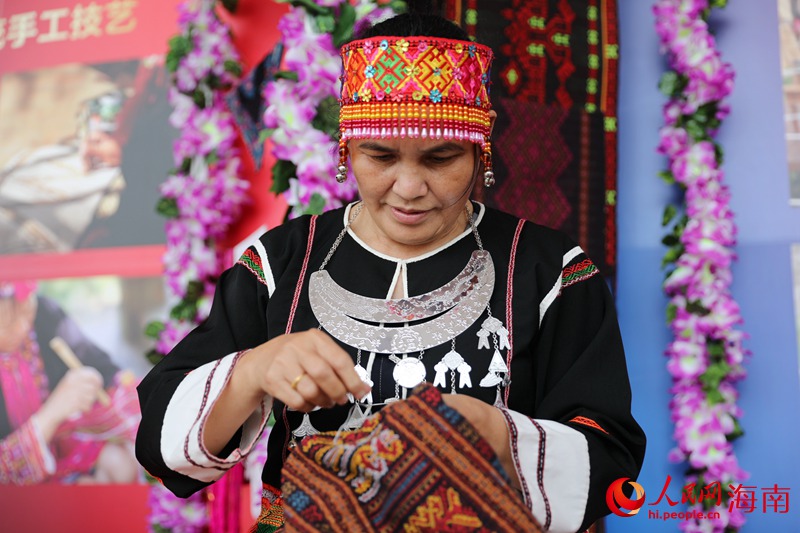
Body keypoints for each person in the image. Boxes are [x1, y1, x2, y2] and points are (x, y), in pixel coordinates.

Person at [136, 13, 645, 532]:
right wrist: (253, 369)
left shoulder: (546, 268)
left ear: (479, 151)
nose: (408, 188)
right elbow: (159, 442)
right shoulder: (281, 261)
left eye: (440, 158)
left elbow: (612, 462)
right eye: (379, 156)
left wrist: (491, 431)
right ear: (346, 148)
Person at [0, 281, 140, 485]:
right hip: (15, 482)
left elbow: (104, 370)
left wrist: (94, 384)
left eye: (27, 313)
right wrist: (54, 410)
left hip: (62, 448)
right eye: (6, 325)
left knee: (120, 465)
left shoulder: (45, 314)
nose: (22, 328)